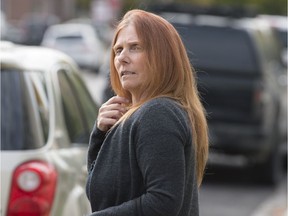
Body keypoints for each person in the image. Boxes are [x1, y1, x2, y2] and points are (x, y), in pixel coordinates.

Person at [86, 9, 209, 216]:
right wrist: (100, 135)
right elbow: (100, 192)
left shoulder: (158, 114)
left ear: (163, 56)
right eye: (118, 50)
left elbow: (162, 203)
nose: (122, 59)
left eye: (135, 47)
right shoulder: (141, 114)